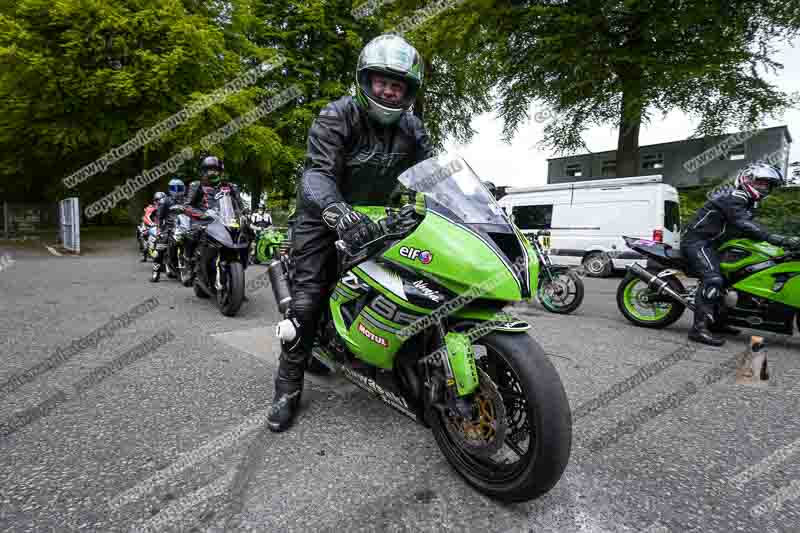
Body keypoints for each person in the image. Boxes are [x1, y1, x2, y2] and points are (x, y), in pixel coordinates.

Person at [267, 34, 433, 432]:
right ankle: (287, 386)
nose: (389, 91)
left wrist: (460, 204)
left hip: (378, 215)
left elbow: (433, 173)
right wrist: (338, 212)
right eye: (382, 82)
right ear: (366, 81)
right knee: (307, 300)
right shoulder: (336, 116)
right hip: (322, 215)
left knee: (419, 279)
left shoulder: (412, 127)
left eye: (398, 85)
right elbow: (317, 173)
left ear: (408, 91)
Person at [681, 161, 800, 346]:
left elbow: (748, 229)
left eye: (768, 185)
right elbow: (744, 224)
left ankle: (719, 322)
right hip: (699, 242)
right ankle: (698, 329)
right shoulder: (734, 196)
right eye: (760, 183)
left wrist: (780, 243)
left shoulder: (749, 202)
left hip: (718, 244)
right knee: (713, 279)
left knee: (734, 279)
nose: (764, 188)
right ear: (747, 179)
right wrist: (779, 239)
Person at [150, 179, 186, 282]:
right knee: (160, 249)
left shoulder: (187, 200)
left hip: (184, 227)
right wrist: (159, 230)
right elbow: (159, 217)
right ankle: (155, 273)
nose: (177, 191)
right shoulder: (165, 201)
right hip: (169, 228)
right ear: (170, 189)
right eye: (174, 188)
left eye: (179, 188)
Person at [140, 192, 165, 262]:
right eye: (158, 200)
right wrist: (151, 223)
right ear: (155, 201)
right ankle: (144, 254)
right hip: (150, 225)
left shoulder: (166, 208)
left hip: (161, 226)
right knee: (144, 234)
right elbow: (146, 217)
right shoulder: (150, 208)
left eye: (162, 199)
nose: (160, 201)